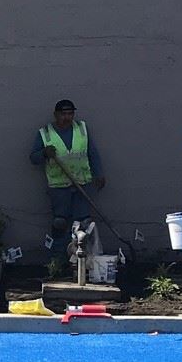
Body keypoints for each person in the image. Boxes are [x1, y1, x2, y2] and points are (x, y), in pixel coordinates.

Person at [29, 100, 105, 272]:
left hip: (81, 184)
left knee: (83, 225)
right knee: (60, 223)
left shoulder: (81, 129)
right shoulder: (45, 134)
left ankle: (82, 264)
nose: (67, 117)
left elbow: (92, 153)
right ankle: (58, 262)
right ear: (56, 115)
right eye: (63, 114)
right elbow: (33, 158)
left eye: (70, 114)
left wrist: (98, 173)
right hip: (59, 186)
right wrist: (44, 153)